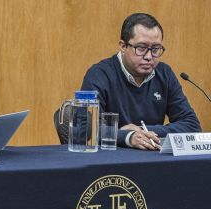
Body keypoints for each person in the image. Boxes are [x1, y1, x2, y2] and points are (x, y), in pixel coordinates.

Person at [80, 13, 201, 150]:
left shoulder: (164, 74)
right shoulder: (99, 74)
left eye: (155, 49)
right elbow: (85, 130)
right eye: (141, 48)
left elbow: (191, 125)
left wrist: (141, 130)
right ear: (123, 46)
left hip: (153, 159)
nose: (149, 56)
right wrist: (127, 137)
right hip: (111, 162)